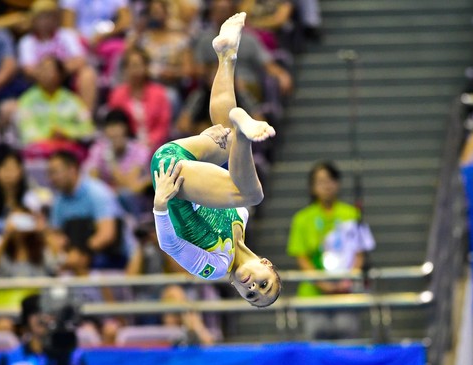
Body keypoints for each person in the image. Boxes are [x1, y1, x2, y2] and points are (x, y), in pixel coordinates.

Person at [151, 12, 281, 308]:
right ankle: (226, 54)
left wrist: (160, 206)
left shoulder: (215, 268)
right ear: (267, 263)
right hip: (184, 164)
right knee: (227, 136)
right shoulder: (241, 219)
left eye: (251, 295)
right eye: (264, 283)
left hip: (168, 176)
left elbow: (169, 244)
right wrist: (208, 143)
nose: (254, 287)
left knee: (251, 194)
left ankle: (242, 130)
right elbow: (205, 187)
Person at [287, 162, 375, 339]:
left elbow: (359, 254)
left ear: (338, 183)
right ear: (312, 187)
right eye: (320, 181)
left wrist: (347, 282)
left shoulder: (352, 214)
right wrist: (324, 284)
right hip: (314, 295)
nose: (326, 185)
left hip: (346, 293)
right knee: (316, 346)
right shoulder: (302, 219)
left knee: (348, 341)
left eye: (330, 180)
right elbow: (302, 258)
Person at [48, 150, 128, 269]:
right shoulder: (59, 200)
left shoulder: (97, 192)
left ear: (72, 169)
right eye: (49, 173)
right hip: (76, 256)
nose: (52, 178)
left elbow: (107, 235)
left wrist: (80, 253)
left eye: (55, 172)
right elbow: (55, 233)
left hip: (112, 255)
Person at [17, 0, 98, 113]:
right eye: (42, 17)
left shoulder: (67, 35)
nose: (46, 21)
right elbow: (28, 69)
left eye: (50, 17)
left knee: (88, 73)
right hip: (39, 82)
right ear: (34, 20)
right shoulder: (27, 42)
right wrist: (48, 72)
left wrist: (58, 71)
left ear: (56, 19)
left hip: (65, 78)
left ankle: (85, 117)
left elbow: (81, 59)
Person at [15, 56, 95, 160]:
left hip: (67, 149)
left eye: (49, 70)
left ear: (60, 75)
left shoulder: (72, 101)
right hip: (39, 150)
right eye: (41, 69)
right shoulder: (27, 101)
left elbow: (87, 128)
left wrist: (66, 133)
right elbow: (25, 130)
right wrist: (49, 135)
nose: (44, 73)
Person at [83, 109, 152, 217]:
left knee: (125, 195)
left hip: (136, 200)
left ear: (126, 129)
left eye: (118, 126)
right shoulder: (98, 149)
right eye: (110, 127)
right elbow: (93, 180)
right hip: (107, 196)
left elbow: (130, 186)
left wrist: (111, 160)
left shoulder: (140, 150)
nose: (114, 131)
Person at [107, 46, 172, 152]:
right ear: (125, 69)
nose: (135, 70)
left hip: (155, 146)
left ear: (146, 67)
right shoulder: (117, 95)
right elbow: (115, 123)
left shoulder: (159, 93)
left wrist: (150, 142)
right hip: (127, 147)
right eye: (132, 66)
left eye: (139, 65)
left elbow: (163, 126)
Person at [0, 146, 44, 249]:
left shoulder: (31, 198)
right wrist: (5, 245)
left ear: (21, 171)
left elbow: (35, 228)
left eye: (12, 169)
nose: (9, 174)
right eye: (4, 168)